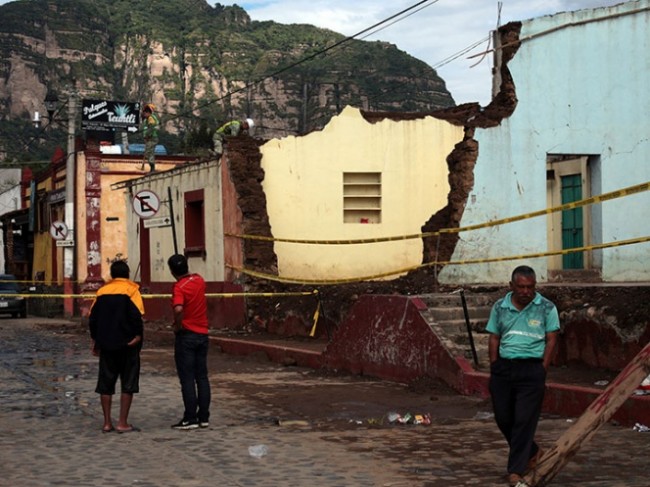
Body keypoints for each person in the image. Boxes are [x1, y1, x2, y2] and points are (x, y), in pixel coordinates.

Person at [487, 265, 560, 487]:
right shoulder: (500, 307)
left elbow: (552, 339)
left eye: (530, 287)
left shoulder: (546, 307)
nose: (526, 291)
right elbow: (494, 338)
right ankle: (533, 451)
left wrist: (542, 369)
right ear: (511, 286)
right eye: (521, 287)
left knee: (523, 420)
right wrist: (494, 366)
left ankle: (515, 471)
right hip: (504, 368)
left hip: (531, 369)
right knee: (503, 417)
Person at [88, 260, 144, 434]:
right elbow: (137, 315)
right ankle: (122, 423)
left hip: (107, 344)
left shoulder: (101, 291)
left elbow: (92, 318)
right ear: (127, 273)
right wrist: (138, 336)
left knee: (105, 383)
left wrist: (96, 340)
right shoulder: (132, 290)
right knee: (128, 383)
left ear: (112, 275)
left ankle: (106, 423)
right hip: (128, 344)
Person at [167, 254, 211, 430]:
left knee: (187, 378)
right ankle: (204, 417)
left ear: (171, 271)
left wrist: (177, 326)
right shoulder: (199, 280)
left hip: (187, 335)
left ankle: (190, 417)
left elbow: (178, 309)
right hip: (203, 333)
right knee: (202, 376)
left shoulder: (179, 287)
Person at [141, 103, 160, 172]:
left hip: (152, 138)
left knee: (149, 152)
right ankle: (152, 168)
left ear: (148, 112)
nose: (144, 115)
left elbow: (151, 129)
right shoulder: (149, 118)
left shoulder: (151, 118)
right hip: (150, 138)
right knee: (149, 152)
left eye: (145, 113)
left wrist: (147, 136)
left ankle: (152, 168)